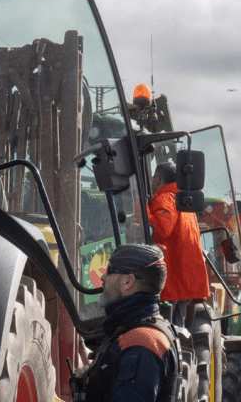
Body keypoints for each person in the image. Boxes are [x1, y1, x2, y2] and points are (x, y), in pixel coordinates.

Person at [79, 244, 180, 402]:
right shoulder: (136, 331)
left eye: (110, 270)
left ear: (128, 282)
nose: (102, 277)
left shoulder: (141, 343)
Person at [147, 161, 210, 327]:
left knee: (164, 330)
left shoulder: (165, 198)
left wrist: (143, 210)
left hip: (171, 283)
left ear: (157, 180)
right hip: (185, 282)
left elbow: (160, 230)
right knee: (179, 331)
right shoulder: (184, 201)